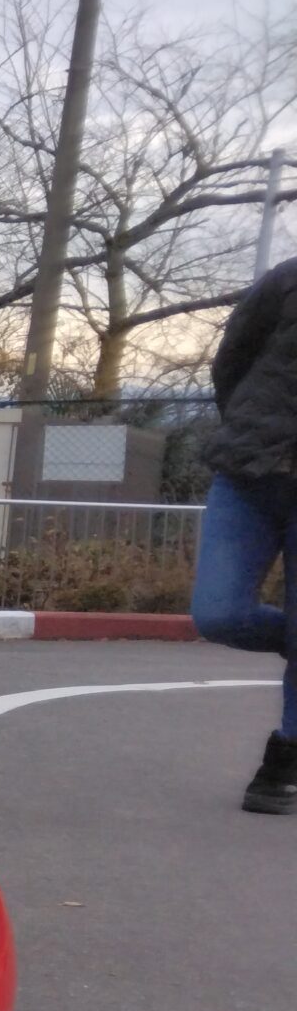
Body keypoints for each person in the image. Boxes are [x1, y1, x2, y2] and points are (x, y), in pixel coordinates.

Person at [193, 253, 297, 813]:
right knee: (217, 612)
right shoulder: (287, 279)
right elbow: (231, 359)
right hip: (249, 473)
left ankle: (286, 756)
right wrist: (248, 427)